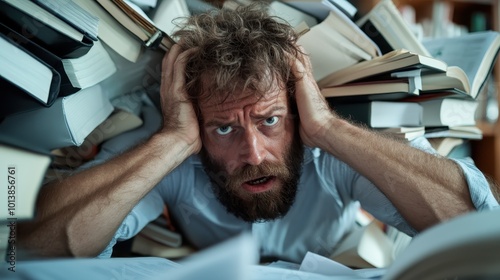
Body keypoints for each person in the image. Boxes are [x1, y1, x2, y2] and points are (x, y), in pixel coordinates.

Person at [18, 3, 499, 262]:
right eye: (224, 126)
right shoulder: (175, 146)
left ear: (296, 107)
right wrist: (175, 141)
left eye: (270, 119)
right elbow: (31, 247)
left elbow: (478, 226)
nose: (252, 152)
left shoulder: (329, 144)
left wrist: (328, 127)